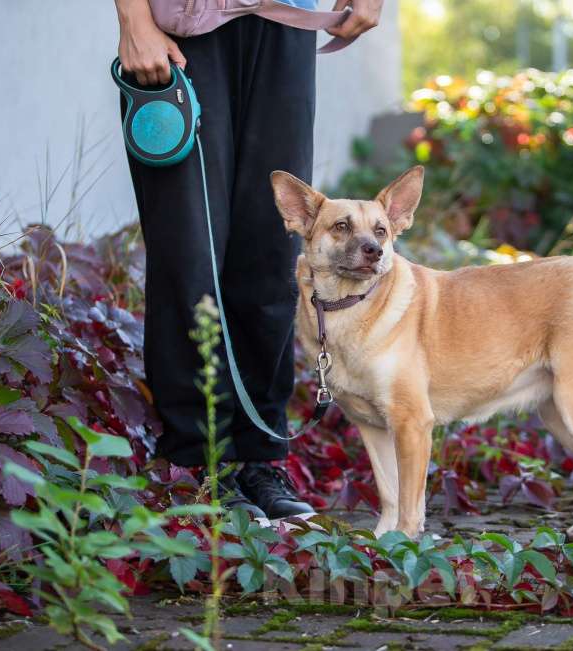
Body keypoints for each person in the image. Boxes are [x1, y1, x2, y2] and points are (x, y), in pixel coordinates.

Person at [113, 0, 384, 518]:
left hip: (286, 20)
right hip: (182, 28)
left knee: (271, 253)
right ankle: (194, 462)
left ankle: (260, 455)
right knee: (188, 253)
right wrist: (133, 20)